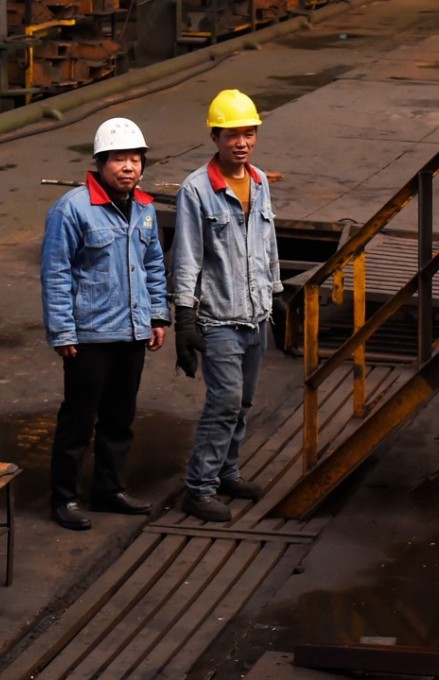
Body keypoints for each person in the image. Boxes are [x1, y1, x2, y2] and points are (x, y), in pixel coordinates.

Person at [41, 117, 169, 531]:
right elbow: (56, 272)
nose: (128, 167)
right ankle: (65, 499)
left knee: (119, 418)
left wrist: (156, 315)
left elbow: (153, 265)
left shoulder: (146, 209)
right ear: (100, 163)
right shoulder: (72, 209)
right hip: (90, 335)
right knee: (78, 419)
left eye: (135, 159)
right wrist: (62, 331)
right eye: (118, 159)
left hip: (131, 332)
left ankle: (109, 490)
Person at [172, 89, 282, 522]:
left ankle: (227, 472)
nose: (242, 142)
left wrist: (276, 291)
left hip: (257, 314)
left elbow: (268, 242)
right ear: (215, 137)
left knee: (245, 401)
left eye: (249, 133)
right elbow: (186, 257)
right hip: (218, 318)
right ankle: (198, 488)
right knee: (224, 402)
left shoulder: (259, 181)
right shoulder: (196, 190)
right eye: (233, 134)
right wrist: (183, 317)